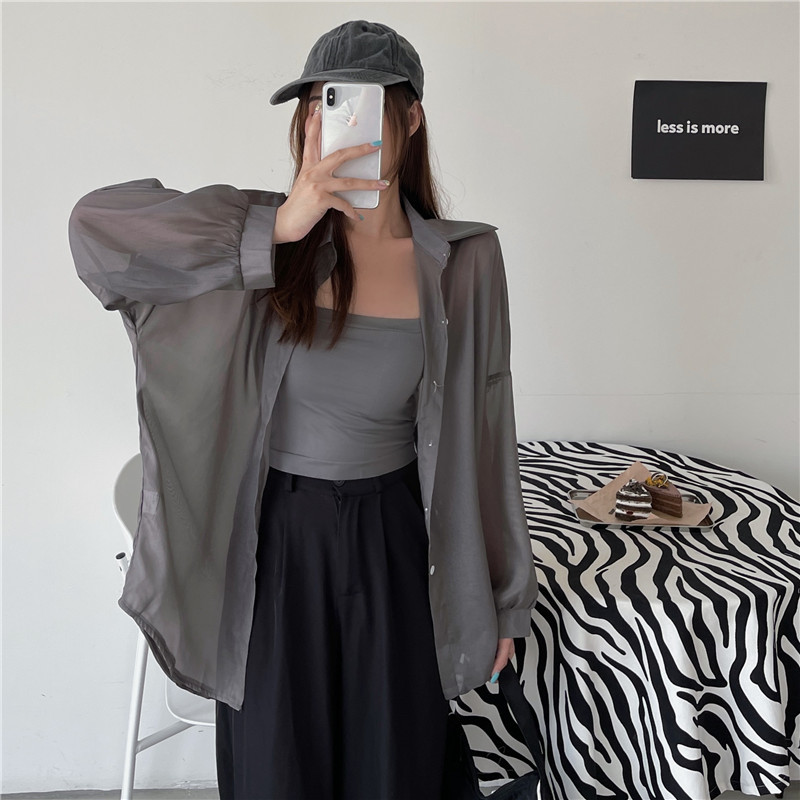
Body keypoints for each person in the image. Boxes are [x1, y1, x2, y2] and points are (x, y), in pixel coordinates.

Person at [68, 19, 538, 800]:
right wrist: (280, 225)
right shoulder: (259, 237)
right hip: (276, 545)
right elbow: (96, 231)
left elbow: (487, 434)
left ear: (411, 117)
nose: (332, 119)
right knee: (277, 772)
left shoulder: (465, 261)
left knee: (394, 770)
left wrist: (505, 600)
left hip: (395, 542)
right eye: (320, 102)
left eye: (357, 100)